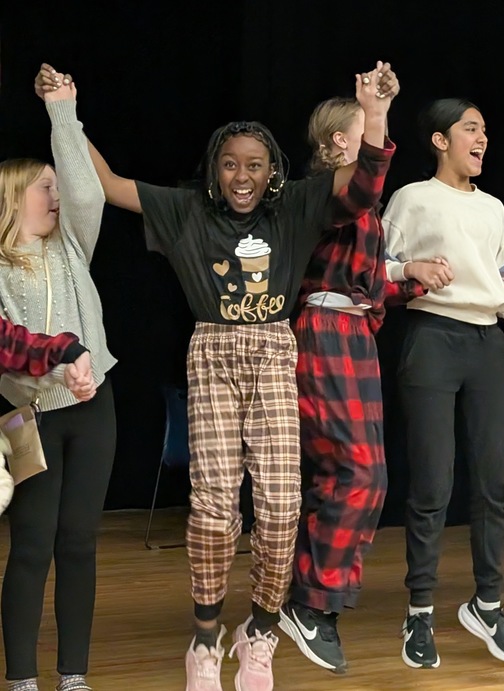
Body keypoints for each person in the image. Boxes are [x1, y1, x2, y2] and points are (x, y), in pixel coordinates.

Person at [37, 61, 399, 690]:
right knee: (212, 511)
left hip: (273, 352)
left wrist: (375, 111)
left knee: (283, 507)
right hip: (212, 355)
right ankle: (205, 639)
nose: (242, 175)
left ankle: (257, 632)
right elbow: (111, 184)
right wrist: (64, 111)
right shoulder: (185, 211)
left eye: (254, 164)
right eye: (230, 163)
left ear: (273, 171)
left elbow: (364, 186)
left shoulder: (294, 206)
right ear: (214, 169)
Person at [383, 98, 504, 668]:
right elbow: (372, 265)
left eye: (485, 130)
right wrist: (410, 270)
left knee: (496, 483)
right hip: (432, 336)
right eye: (471, 128)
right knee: (432, 483)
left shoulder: (494, 209)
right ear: (440, 139)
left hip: (487, 345)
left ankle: (486, 603)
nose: (482, 139)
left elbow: (503, 283)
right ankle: (421, 612)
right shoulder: (412, 199)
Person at [278, 93, 421, 674]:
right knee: (355, 469)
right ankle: (310, 603)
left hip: (353, 333)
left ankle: (313, 599)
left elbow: (362, 283)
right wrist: (376, 111)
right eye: (363, 132)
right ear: (340, 142)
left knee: (366, 475)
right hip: (323, 331)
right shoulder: (322, 193)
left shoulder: (363, 211)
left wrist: (412, 283)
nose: (375, 142)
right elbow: (363, 185)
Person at [1, 70, 118, 691]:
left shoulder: (73, 243)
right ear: (13, 196)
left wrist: (62, 110)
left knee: (78, 543)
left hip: (92, 410)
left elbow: (88, 192)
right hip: (30, 418)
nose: (56, 196)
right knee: (31, 546)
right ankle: (22, 678)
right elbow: (8, 345)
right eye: (43, 188)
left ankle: (74, 675)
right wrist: (59, 359)